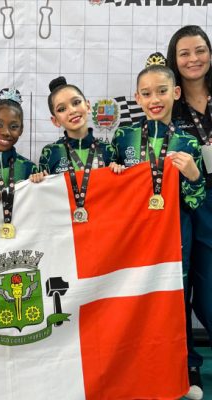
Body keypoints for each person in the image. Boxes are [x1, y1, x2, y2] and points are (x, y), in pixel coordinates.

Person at [109, 59, 206, 400]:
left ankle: (187, 369)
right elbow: (107, 189)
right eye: (147, 93)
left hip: (174, 235)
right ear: (137, 97)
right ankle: (134, 368)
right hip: (133, 238)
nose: (155, 99)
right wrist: (113, 170)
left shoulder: (188, 142)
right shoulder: (123, 136)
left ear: (176, 93)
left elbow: (195, 200)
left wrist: (194, 176)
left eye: (162, 91)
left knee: (175, 301)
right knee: (133, 302)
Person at [167, 25, 212, 400]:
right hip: (179, 208)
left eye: (200, 50)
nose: (193, 59)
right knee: (179, 291)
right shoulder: (169, 102)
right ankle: (188, 365)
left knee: (209, 291)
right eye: (184, 53)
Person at [39, 76, 113, 175]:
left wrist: (119, 170)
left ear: (88, 106)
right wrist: (37, 179)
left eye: (76, 102)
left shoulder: (108, 149)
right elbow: (44, 184)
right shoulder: (50, 152)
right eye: (62, 109)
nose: (72, 111)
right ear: (55, 121)